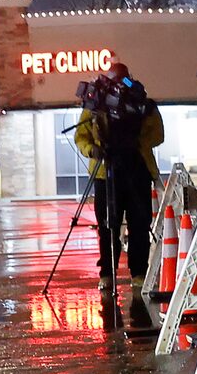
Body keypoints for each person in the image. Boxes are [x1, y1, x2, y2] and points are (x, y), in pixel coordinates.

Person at [69, 59, 163, 308]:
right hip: (105, 172)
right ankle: (107, 274)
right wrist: (94, 150)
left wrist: (136, 139)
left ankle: (139, 274)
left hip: (137, 169)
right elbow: (82, 135)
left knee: (139, 224)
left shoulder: (141, 103)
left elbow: (157, 134)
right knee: (107, 226)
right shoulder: (96, 104)